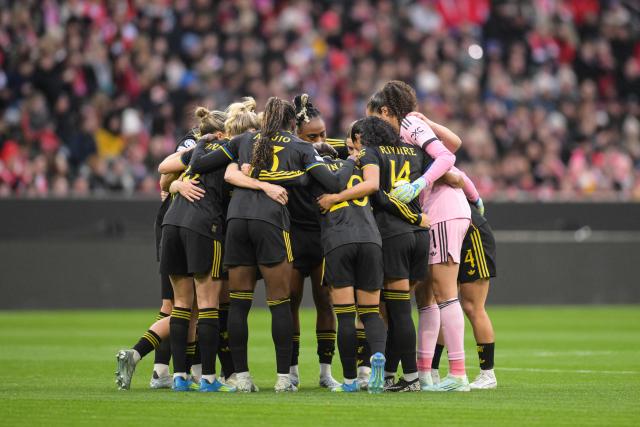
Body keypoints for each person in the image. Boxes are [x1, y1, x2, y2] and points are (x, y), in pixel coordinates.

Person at [187, 96, 357, 392]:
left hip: (237, 221)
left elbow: (198, 163)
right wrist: (350, 162)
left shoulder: (244, 140)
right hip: (271, 223)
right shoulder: (300, 147)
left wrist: (202, 142)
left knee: (239, 305)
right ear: (293, 124)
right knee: (280, 304)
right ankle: (282, 380)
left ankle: (242, 379)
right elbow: (331, 184)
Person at [372, 81, 470, 392]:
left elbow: (446, 156)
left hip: (441, 210)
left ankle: (458, 374)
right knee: (425, 300)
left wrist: (418, 184)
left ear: (387, 110)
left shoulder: (407, 123)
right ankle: (426, 374)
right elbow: (454, 142)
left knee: (445, 294)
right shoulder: (413, 124)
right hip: (432, 215)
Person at [114, 111, 219, 391]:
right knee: (184, 306)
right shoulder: (194, 143)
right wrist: (175, 184)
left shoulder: (208, 145)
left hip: (177, 222)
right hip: (182, 222)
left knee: (182, 306)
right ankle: (159, 365)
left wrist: (174, 184)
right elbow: (164, 180)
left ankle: (167, 371)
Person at [344, 115, 429, 392]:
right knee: (399, 310)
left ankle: (413, 378)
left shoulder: (372, 153)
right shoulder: (414, 151)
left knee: (398, 312)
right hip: (420, 237)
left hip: (394, 234)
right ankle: (392, 374)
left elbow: (378, 194)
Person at [315, 126, 387, 393]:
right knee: (370, 312)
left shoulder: (318, 171)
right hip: (370, 239)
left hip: (339, 241)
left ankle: (348, 381)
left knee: (345, 316)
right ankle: (376, 356)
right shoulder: (363, 167)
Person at [286, 94, 340, 389]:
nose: (320, 140)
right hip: (294, 236)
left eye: (322, 134)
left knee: (326, 302)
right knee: (291, 303)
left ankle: (325, 372)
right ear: (296, 135)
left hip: (323, 235)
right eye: (312, 136)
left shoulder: (332, 152)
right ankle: (292, 371)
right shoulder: (286, 154)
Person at [429, 170, 498, 390]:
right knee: (443, 303)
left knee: (472, 306)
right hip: (446, 232)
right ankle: (431, 370)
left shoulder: (433, 164)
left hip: (472, 235)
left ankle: (488, 374)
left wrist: (475, 196)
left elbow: (458, 176)